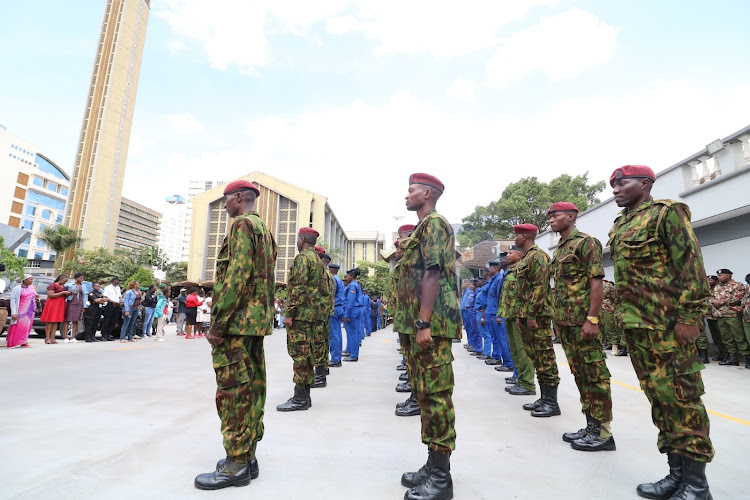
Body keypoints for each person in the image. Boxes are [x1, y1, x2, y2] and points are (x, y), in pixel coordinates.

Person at [607, 165, 714, 498]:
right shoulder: (621, 224)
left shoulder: (667, 213)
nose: (615, 189)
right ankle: (676, 475)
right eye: (612, 185)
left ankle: (697, 485)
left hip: (668, 328)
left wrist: (689, 317)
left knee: (684, 403)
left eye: (621, 183)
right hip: (638, 330)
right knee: (661, 401)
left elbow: (692, 267)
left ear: (645, 183)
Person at [194, 180, 277, 490]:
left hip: (237, 323)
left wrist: (217, 323)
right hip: (254, 322)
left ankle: (236, 464)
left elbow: (236, 277)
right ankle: (248, 456)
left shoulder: (241, 225)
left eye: (226, 200)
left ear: (240, 198)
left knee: (232, 393)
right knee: (253, 388)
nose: (225, 205)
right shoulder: (263, 229)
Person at [398, 173, 461, 500]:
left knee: (436, 395)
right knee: (425, 394)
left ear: (427, 193)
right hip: (420, 322)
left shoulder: (435, 223)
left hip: (432, 324)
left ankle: (441, 478)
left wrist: (424, 323)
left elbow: (432, 272)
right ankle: (432, 464)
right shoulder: (423, 228)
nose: (406, 195)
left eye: (411, 190)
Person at [548, 201, 615, 452]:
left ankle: (604, 433)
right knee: (581, 375)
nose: (552, 219)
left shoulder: (586, 242)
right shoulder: (560, 248)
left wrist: (593, 319)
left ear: (571, 216)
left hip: (582, 322)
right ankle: (591, 425)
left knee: (595, 375)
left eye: (556, 215)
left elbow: (596, 283)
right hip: (566, 322)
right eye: (550, 216)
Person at [513, 223, 561, 417]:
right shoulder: (527, 258)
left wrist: (532, 315)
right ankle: (544, 398)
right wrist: (520, 315)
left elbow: (540, 288)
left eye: (516, 236)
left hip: (537, 316)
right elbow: (522, 291)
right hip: (526, 315)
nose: (514, 239)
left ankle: (552, 402)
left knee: (545, 357)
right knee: (535, 356)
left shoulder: (539, 256)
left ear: (524, 237)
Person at [277, 227, 322, 412]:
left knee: (300, 356)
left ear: (302, 240)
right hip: (311, 314)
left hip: (301, 315)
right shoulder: (317, 260)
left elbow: (298, 288)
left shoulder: (303, 258)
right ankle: (305, 395)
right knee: (307, 354)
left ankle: (300, 398)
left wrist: (289, 313)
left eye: (297, 239)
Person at [498, 246, 536, 393]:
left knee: (522, 351)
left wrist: (525, 314)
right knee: (514, 350)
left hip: (519, 315)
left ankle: (528, 383)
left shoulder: (522, 269)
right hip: (509, 314)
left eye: (511, 252)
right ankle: (520, 380)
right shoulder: (511, 271)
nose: (508, 255)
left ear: (519, 255)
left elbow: (525, 293)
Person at [712, 268, 748, 367]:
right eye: (718, 275)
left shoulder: (738, 285)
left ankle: (747, 358)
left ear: (728, 275)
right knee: (726, 338)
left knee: (739, 337)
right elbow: (710, 297)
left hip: (733, 315)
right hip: (720, 315)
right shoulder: (717, 287)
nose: (718, 277)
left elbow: (737, 298)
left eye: (720, 275)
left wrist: (721, 302)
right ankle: (733, 358)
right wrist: (713, 301)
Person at [485, 258, 514, 371]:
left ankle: (508, 362)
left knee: (502, 339)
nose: (489, 270)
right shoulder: (494, 279)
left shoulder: (498, 279)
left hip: (496, 312)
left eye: (491, 268)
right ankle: (500, 358)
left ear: (496, 268)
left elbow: (499, 298)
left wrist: (499, 314)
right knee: (496, 338)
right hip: (492, 312)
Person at [311, 248, 334, 388]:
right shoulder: (327, 273)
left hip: (319, 312)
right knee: (323, 342)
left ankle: (319, 376)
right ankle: (323, 370)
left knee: (318, 343)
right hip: (324, 312)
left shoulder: (321, 272)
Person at [7, 274, 37, 348]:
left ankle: (24, 341)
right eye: (30, 279)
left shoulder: (31, 288)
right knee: (18, 327)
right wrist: (14, 313)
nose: (32, 281)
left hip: (30, 311)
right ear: (25, 280)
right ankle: (13, 342)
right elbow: (13, 300)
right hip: (21, 311)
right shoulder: (17, 288)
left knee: (27, 327)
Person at [41, 274, 71, 344]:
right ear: (60, 279)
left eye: (66, 282)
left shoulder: (63, 287)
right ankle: (47, 338)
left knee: (56, 321)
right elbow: (50, 295)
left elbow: (63, 295)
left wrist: (67, 294)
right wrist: (62, 292)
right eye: (64, 281)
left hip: (60, 304)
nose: (65, 283)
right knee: (50, 321)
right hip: (53, 303)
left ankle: (53, 337)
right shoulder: (53, 285)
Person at [342, 268, 363, 361]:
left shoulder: (353, 286)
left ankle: (354, 355)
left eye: (348, 276)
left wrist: (346, 314)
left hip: (353, 310)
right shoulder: (354, 285)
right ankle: (350, 351)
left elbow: (350, 301)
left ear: (352, 276)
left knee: (353, 333)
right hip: (355, 310)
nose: (347, 277)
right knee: (352, 333)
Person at [327, 263, 345, 367]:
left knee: (333, 335)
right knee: (337, 334)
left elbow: (330, 294)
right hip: (339, 308)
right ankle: (337, 358)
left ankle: (335, 358)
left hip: (334, 307)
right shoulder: (339, 280)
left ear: (331, 270)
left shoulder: (333, 280)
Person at [62, 272, 86, 343]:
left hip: (79, 304)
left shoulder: (83, 286)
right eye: (80, 278)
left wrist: (84, 306)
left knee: (76, 320)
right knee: (67, 320)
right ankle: (65, 337)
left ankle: (73, 337)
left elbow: (85, 296)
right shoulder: (69, 285)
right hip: (71, 303)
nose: (82, 279)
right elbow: (64, 291)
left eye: (82, 278)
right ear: (76, 278)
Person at [101, 277, 122, 341]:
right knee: (107, 320)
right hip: (110, 305)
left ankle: (108, 334)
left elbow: (119, 296)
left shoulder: (118, 288)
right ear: (113, 281)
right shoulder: (108, 287)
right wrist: (113, 302)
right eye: (117, 281)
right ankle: (103, 335)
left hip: (117, 305)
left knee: (113, 321)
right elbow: (106, 296)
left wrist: (118, 302)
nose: (118, 282)